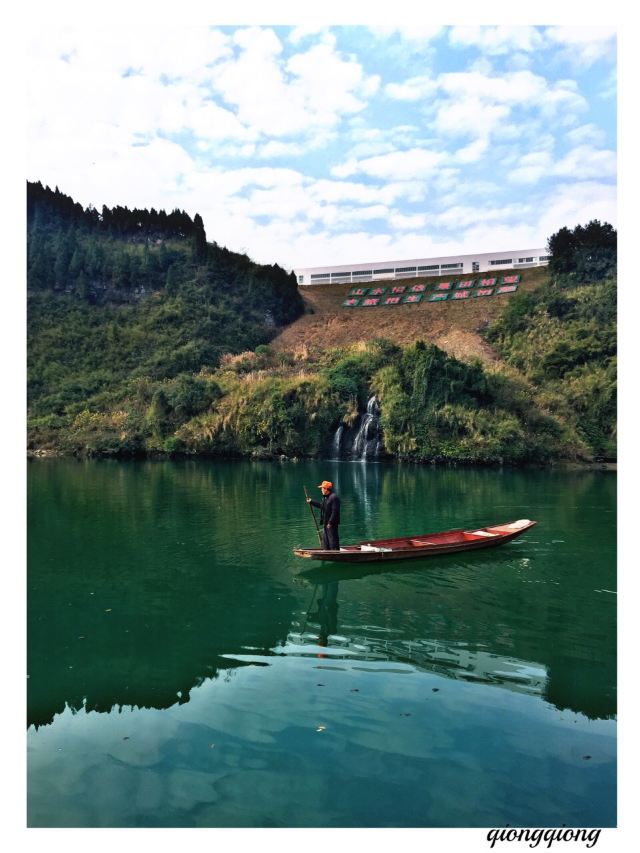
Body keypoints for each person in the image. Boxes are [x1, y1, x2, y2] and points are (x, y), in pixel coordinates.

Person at [307, 480, 341, 550]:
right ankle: (326, 551)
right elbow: (321, 506)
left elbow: (335, 511)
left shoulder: (334, 497)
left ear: (326, 489)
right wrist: (311, 502)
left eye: (322, 488)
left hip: (331, 523)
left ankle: (335, 552)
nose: (321, 490)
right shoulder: (325, 498)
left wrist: (330, 522)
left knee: (333, 540)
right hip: (326, 523)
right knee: (326, 540)